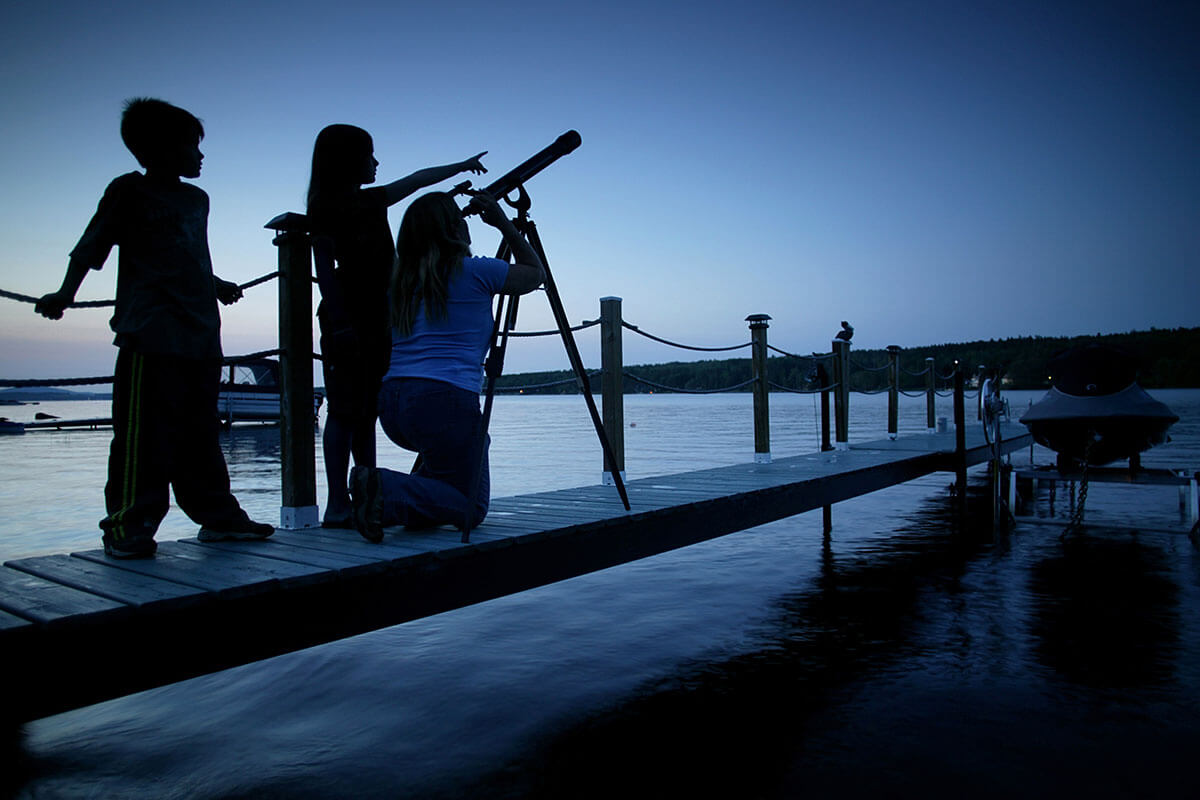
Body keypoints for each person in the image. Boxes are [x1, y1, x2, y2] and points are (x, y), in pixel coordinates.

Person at [34, 98, 274, 558]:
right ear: (160, 149)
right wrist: (65, 294)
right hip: (150, 333)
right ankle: (128, 523)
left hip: (202, 335)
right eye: (190, 146)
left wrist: (215, 283)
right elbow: (90, 247)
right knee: (143, 436)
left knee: (201, 433)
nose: (199, 156)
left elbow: (187, 256)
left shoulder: (196, 199)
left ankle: (218, 516)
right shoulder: (129, 193)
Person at [305, 124, 486, 527]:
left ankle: (366, 489)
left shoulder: (370, 201)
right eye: (369, 155)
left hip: (379, 318)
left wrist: (461, 168)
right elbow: (325, 271)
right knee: (343, 410)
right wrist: (338, 323)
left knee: (365, 409)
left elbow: (418, 180)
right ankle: (337, 503)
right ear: (348, 160)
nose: (376, 163)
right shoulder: (326, 208)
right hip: (349, 317)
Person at [348, 191, 544, 542]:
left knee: (464, 449)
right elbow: (534, 274)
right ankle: (382, 486)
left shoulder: (400, 280)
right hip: (443, 401)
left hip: (393, 403)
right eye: (460, 218)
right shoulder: (476, 271)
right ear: (452, 229)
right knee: (470, 508)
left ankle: (385, 502)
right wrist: (502, 223)